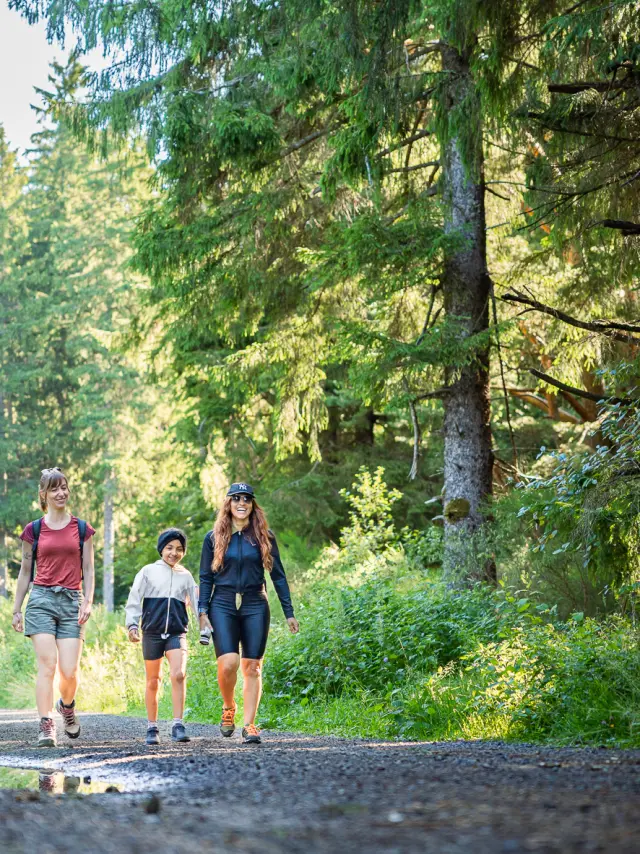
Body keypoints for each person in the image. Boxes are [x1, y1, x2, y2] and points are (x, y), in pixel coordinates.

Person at [198, 482, 299, 745]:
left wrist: (289, 612)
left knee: (252, 667)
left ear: (253, 504)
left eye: (247, 499)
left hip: (255, 603)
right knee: (228, 663)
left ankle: (250, 725)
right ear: (228, 503)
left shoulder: (265, 536)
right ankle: (228, 706)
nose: (241, 503)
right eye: (236, 498)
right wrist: (202, 611)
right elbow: (206, 577)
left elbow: (278, 576)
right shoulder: (213, 537)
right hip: (222, 603)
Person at [12, 467, 95, 747]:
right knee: (47, 665)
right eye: (54, 489)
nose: (61, 493)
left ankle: (66, 706)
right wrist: (16, 609)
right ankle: (46, 724)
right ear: (44, 494)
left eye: (64, 487)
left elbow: (89, 569)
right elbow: (25, 571)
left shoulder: (82, 529)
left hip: (72, 601)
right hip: (41, 601)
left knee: (69, 671)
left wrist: (88, 601)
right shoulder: (33, 530)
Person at [125, 528, 198, 745]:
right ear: (161, 549)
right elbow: (134, 598)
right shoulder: (148, 571)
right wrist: (132, 624)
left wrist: (207, 627)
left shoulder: (186, 576)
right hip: (152, 632)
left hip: (177, 631)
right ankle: (152, 727)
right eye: (169, 548)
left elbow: (197, 604)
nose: (174, 553)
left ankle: (178, 724)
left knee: (179, 674)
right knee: (153, 680)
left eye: (179, 549)